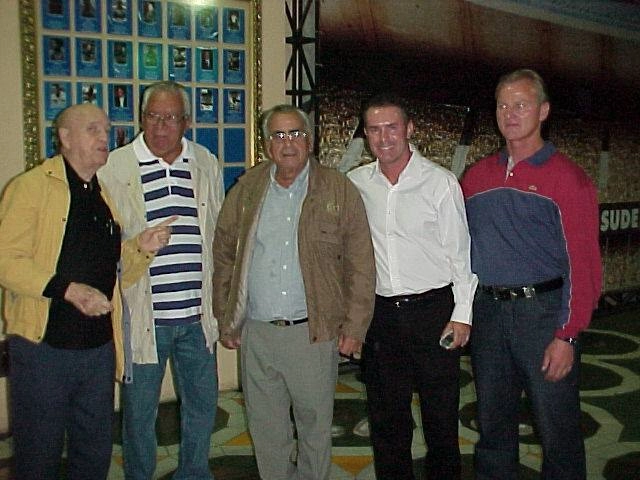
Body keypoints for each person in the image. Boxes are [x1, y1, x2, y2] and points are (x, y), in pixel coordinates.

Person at [0, 104, 172, 480]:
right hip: (44, 351)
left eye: (106, 130)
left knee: (93, 455)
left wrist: (142, 246)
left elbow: (114, 273)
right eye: (93, 129)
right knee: (38, 455)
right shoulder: (30, 188)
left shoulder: (103, 195)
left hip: (97, 351)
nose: (103, 138)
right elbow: (6, 261)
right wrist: (69, 290)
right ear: (64, 137)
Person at [212, 104, 375, 480]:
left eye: (296, 134)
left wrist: (354, 326)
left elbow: (361, 262)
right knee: (267, 431)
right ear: (267, 144)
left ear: (310, 140)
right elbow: (223, 252)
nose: (288, 143)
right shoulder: (248, 189)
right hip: (258, 332)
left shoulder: (337, 188)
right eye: (279, 135)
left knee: (315, 428)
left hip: (312, 334)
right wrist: (227, 316)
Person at [460, 69, 602, 479]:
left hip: (543, 317)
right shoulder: (477, 177)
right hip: (489, 314)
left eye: (521, 104)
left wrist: (567, 335)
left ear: (543, 111)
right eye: (503, 105)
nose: (510, 113)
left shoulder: (568, 179)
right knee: (492, 427)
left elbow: (584, 265)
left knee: (557, 429)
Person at [347, 93, 477, 480]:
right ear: (366, 134)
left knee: (441, 421)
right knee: (388, 423)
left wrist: (462, 316)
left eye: (392, 127)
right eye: (374, 129)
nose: (384, 137)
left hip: (434, 313)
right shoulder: (355, 184)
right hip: (382, 318)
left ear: (409, 129)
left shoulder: (439, 183)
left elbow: (461, 256)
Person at [99, 81, 225, 480]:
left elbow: (217, 231)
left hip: (196, 316)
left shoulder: (205, 162)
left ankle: (194, 474)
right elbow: (103, 245)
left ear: (186, 122)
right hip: (144, 319)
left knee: (202, 408)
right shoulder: (115, 167)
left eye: (170, 118)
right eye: (153, 116)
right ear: (141, 118)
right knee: (138, 416)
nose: (160, 126)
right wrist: (138, 244)